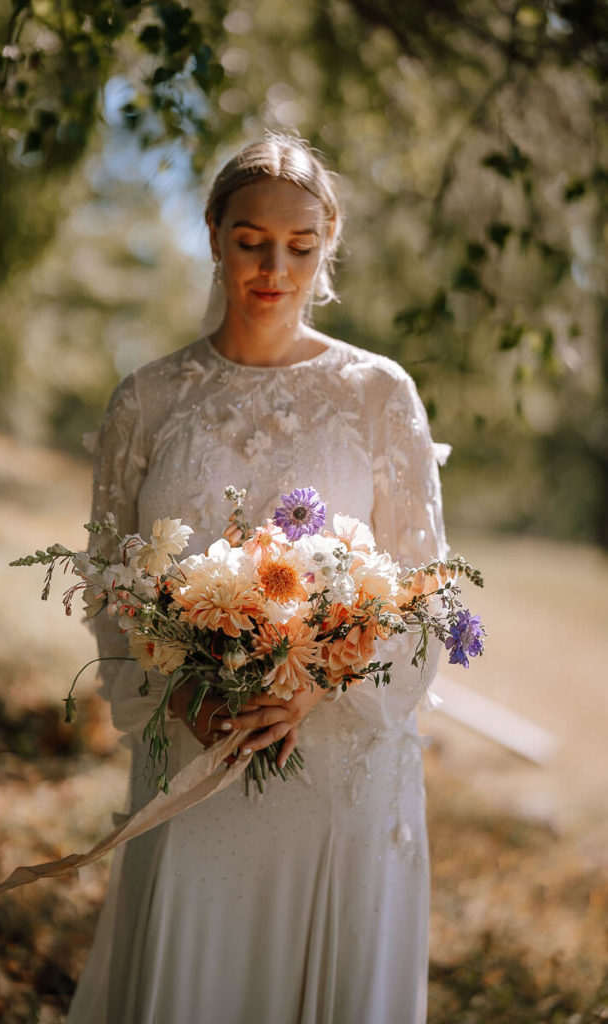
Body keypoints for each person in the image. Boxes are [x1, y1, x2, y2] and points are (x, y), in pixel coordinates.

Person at [66, 134, 447, 1024]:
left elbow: (428, 588)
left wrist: (312, 684)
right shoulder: (148, 401)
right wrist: (178, 696)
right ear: (211, 233)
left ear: (329, 243)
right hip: (193, 751)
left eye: (301, 246)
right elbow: (109, 584)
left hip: (335, 758)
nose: (276, 267)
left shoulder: (378, 394)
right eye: (250, 241)